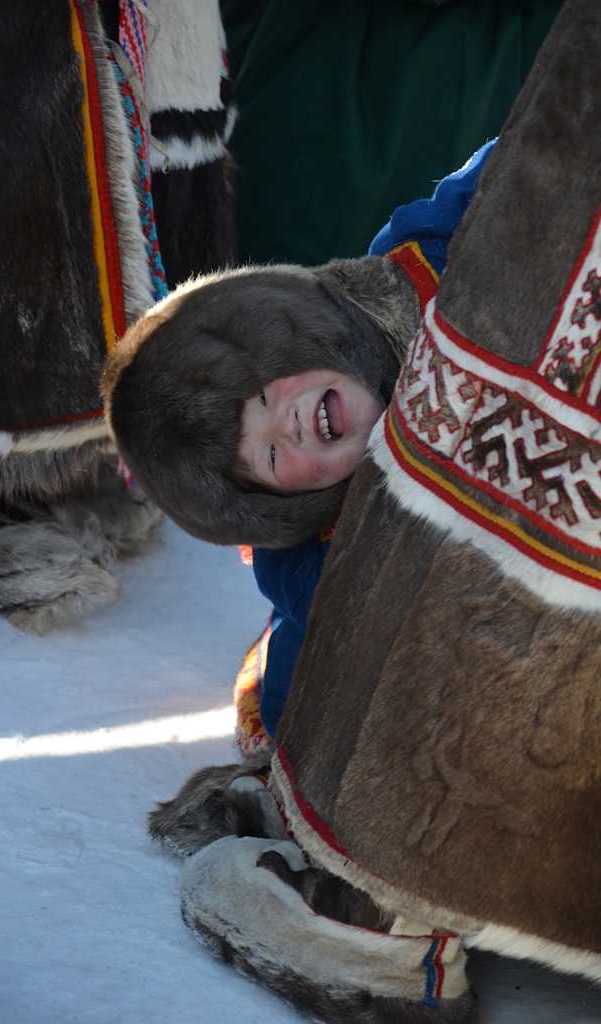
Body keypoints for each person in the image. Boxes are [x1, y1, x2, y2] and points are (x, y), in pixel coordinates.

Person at [103, 141, 495, 744]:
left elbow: (511, 168)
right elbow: (308, 683)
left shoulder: (420, 267)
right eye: (271, 456)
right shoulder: (323, 562)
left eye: (259, 394)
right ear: (285, 507)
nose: (285, 424)